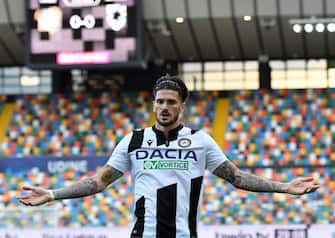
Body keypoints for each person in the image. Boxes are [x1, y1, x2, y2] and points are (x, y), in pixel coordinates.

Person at [18, 75, 320, 238]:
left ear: (182, 105)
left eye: (171, 102)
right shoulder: (133, 140)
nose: (164, 107)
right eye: (159, 101)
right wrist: (52, 194)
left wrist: (283, 186)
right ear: (153, 105)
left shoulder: (201, 141)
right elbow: (98, 183)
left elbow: (237, 177)